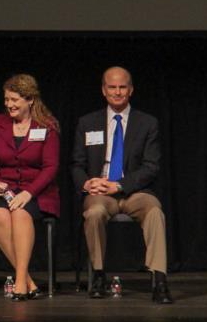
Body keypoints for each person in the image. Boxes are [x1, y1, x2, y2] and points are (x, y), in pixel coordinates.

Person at [70, 66, 172, 304]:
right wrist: (87, 183)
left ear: (131, 90)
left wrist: (120, 185)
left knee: (155, 212)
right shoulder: (87, 122)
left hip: (134, 191)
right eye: (112, 87)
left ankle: (159, 280)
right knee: (94, 213)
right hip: (100, 193)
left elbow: (151, 167)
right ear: (103, 90)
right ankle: (97, 274)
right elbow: (76, 164)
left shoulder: (147, 123)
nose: (117, 92)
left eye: (122, 87)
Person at [0, 74, 60, 300]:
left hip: (36, 191)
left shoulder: (47, 126)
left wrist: (29, 192)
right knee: (1, 217)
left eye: (14, 100)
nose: (9, 105)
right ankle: (26, 280)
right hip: (3, 189)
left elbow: (51, 167)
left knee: (21, 214)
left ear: (30, 100)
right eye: (7, 99)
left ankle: (21, 282)